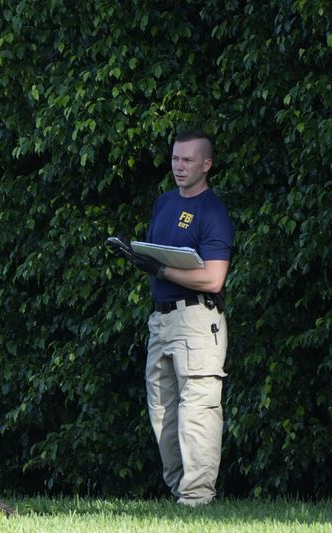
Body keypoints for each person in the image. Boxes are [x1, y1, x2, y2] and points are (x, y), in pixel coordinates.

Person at [107, 129, 234, 506]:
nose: (179, 166)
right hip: (161, 321)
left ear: (206, 165)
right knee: (162, 410)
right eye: (175, 158)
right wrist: (137, 256)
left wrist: (160, 271)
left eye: (188, 160)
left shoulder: (213, 212)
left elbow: (213, 278)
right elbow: (156, 253)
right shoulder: (164, 203)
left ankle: (197, 498)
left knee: (198, 409)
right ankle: (181, 492)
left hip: (198, 319)